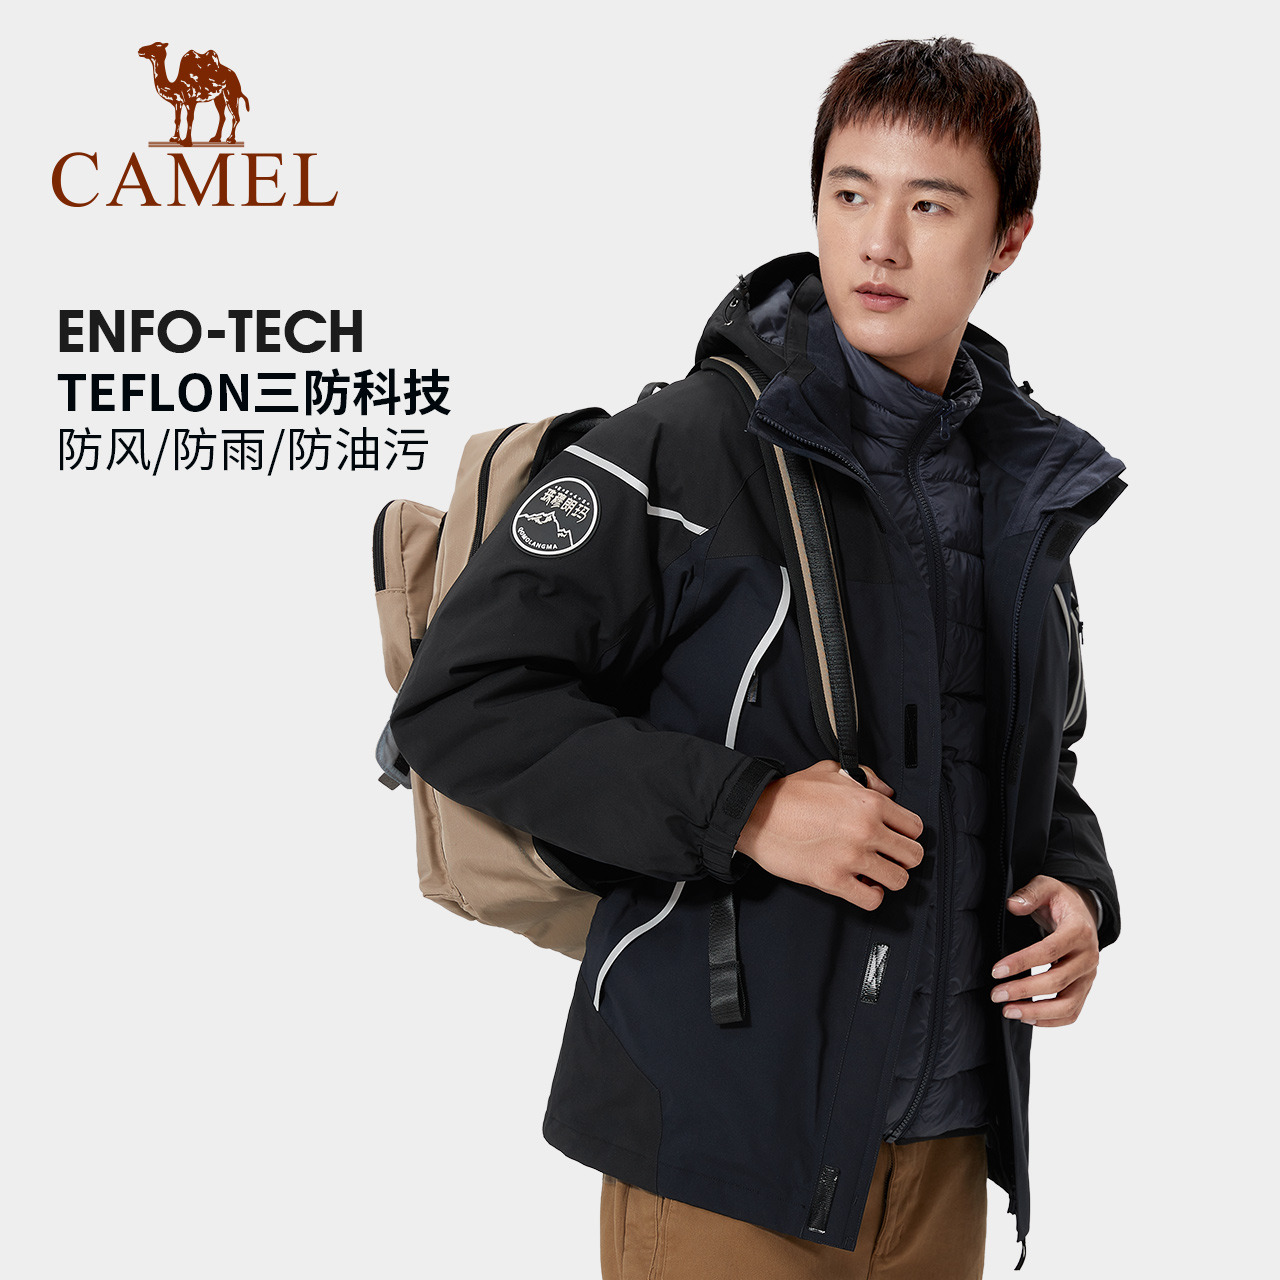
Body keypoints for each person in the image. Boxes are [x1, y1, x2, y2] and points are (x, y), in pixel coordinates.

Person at [390, 35, 1125, 1280]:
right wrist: (747, 808)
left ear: (1006, 239)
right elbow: (458, 701)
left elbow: (1027, 757)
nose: (876, 242)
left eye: (928, 204)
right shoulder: (686, 446)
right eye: (848, 192)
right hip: (722, 1142)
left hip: (944, 1139)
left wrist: (1075, 887)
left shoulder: (1019, 486)